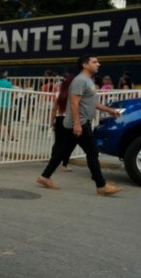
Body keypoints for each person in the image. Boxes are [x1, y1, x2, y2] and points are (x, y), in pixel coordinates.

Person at [37, 55, 122, 195]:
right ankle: (101, 185)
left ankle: (44, 177)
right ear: (85, 65)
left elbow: (92, 103)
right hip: (80, 123)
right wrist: (77, 124)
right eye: (94, 62)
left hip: (78, 123)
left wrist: (110, 110)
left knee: (62, 151)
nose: (98, 64)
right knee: (92, 152)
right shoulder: (80, 80)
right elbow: (74, 102)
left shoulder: (88, 81)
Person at [49, 75, 75, 172]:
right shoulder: (74, 95)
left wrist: (52, 121)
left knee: (58, 142)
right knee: (68, 143)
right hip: (70, 119)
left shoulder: (58, 94)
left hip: (59, 119)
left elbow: (54, 109)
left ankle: (53, 162)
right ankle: (64, 164)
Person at [0, 71, 15, 140]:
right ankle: (11, 137)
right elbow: (12, 93)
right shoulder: (9, 83)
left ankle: (0, 137)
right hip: (7, 105)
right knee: (9, 122)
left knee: (0, 122)